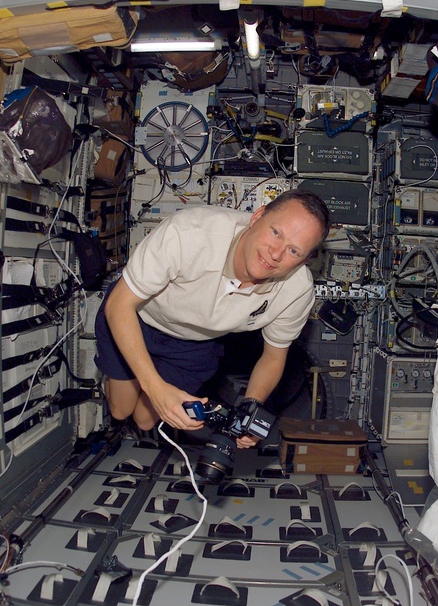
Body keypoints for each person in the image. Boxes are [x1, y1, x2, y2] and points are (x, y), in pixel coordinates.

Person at [95, 189, 330, 447]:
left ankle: (145, 382)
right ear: (258, 216)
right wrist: (154, 387)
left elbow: (274, 356)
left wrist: (249, 411)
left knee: (144, 420)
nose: (275, 254)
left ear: (304, 260)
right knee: (120, 409)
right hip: (136, 317)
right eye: (276, 233)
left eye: (293, 251)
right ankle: (129, 375)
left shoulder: (297, 291)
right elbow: (119, 304)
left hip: (196, 343)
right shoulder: (191, 233)